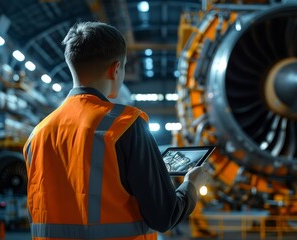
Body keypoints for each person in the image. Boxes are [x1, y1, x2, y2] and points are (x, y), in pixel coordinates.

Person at [23, 21, 208, 240]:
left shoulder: (37, 134)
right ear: (115, 69)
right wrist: (191, 186)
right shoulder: (126, 124)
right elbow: (163, 216)